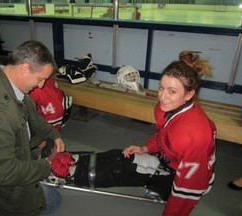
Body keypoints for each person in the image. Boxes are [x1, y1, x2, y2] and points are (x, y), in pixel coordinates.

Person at [43, 51, 216, 216]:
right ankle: (70, 161)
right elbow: (165, 136)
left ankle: (70, 173)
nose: (163, 96)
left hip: (182, 179)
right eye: (161, 88)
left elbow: (189, 189)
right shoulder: (168, 108)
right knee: (119, 156)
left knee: (121, 170)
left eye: (172, 91)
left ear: (189, 94)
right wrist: (145, 148)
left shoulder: (195, 135)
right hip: (170, 161)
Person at [0, 40, 66, 216]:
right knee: (52, 202)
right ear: (24, 68)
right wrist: (46, 165)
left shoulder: (5, 80)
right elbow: (3, 172)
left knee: (50, 197)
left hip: (5, 165)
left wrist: (53, 135)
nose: (40, 86)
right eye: (40, 79)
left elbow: (33, 116)